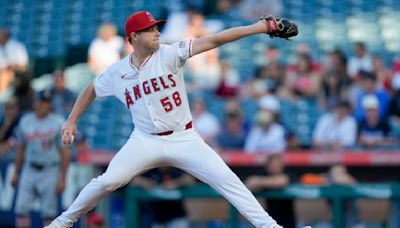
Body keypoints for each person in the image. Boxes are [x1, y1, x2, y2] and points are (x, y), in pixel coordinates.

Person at [46, 11, 299, 228]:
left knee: (228, 180)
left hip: (184, 137)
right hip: (144, 140)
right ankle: (62, 222)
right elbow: (91, 87)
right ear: (133, 37)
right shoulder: (118, 72)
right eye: (149, 29)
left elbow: (214, 39)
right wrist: (71, 120)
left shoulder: (170, 53)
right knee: (108, 180)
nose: (156, 32)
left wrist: (260, 27)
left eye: (156, 27)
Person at [10, 90, 70, 227]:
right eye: (39, 101)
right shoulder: (25, 121)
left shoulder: (58, 122)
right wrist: (16, 173)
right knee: (21, 209)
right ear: (34, 103)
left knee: (48, 213)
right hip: (29, 169)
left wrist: (63, 178)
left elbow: (65, 153)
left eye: (45, 102)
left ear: (49, 105)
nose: (41, 105)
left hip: (50, 170)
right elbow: (20, 149)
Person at [131, 167, 195, 228]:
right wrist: (143, 182)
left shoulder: (175, 169)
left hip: (176, 215)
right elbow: (133, 180)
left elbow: (190, 179)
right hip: (158, 217)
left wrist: (176, 183)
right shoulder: (152, 171)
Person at [246, 154, 296, 228]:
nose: (276, 167)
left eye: (278, 165)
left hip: (287, 221)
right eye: (273, 165)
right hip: (269, 220)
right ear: (268, 166)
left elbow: (282, 181)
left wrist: (263, 184)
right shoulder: (264, 173)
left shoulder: (288, 172)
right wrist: (270, 182)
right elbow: (251, 182)